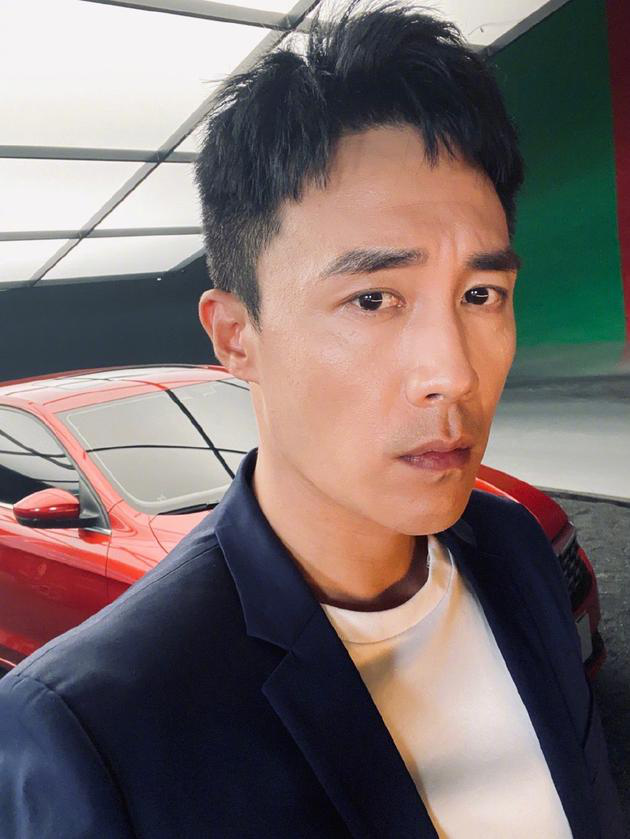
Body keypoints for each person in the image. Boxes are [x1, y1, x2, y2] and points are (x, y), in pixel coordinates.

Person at [0, 2, 625, 836]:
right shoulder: (93, 734)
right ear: (236, 335)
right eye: (373, 299)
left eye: (481, 294)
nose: (453, 372)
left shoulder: (514, 545)